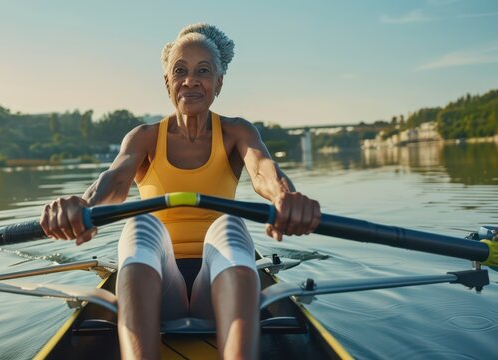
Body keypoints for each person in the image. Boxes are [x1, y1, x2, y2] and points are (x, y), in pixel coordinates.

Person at [40, 23, 321, 360]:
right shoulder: (144, 136)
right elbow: (114, 180)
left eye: (203, 71)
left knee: (230, 224)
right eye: (180, 71)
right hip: (158, 293)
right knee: (141, 223)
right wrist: (84, 206)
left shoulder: (235, 131)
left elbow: (262, 169)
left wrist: (284, 196)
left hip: (217, 290)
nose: (190, 80)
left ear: (218, 83)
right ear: (167, 82)